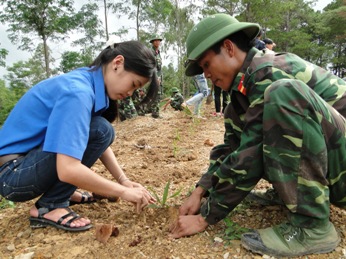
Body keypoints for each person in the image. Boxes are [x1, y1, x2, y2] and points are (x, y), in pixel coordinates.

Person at [170, 13, 346, 258]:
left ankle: (312, 226)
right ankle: (291, 194)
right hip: (336, 163)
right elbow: (233, 149)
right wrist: (201, 190)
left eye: (207, 64)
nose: (206, 75)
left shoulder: (268, 72)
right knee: (246, 115)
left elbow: (250, 154)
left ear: (229, 48)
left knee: (283, 94)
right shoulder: (242, 95)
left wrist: (206, 217)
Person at [0, 40, 158, 232]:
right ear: (117, 63)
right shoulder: (78, 92)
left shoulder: (88, 81)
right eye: (133, 84)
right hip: (12, 176)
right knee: (102, 129)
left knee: (102, 130)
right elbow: (68, 169)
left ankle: (62, 192)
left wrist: (123, 179)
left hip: (23, 165)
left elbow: (94, 139)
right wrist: (124, 192)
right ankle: (51, 205)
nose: (130, 93)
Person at [147, 35, 163, 118]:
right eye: (155, 41)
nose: (157, 42)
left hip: (159, 76)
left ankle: (156, 112)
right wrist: (156, 77)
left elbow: (159, 66)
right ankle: (154, 114)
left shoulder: (158, 52)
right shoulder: (151, 52)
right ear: (153, 42)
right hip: (155, 76)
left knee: (159, 95)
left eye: (158, 41)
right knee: (155, 94)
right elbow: (151, 66)